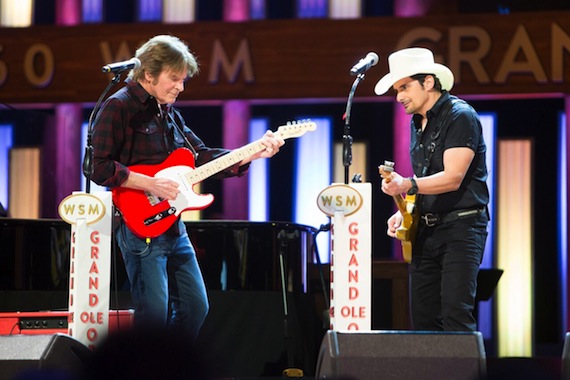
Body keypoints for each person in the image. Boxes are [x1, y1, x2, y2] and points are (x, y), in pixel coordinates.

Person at [91, 35, 284, 340]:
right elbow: (96, 167)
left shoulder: (167, 111)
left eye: (183, 80)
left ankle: (170, 365)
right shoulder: (119, 107)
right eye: (174, 79)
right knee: (153, 315)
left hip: (173, 226)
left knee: (196, 307)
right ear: (148, 74)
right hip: (139, 227)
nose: (180, 87)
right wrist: (149, 183)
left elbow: (201, 157)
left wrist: (254, 151)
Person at [376, 47, 489, 331]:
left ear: (428, 82)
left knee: (455, 316)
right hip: (427, 231)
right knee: (424, 320)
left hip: (461, 229)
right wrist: (407, 209)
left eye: (404, 87)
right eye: (396, 89)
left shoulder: (460, 115)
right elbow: (426, 177)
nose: (399, 96)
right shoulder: (418, 123)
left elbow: (452, 178)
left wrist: (407, 184)